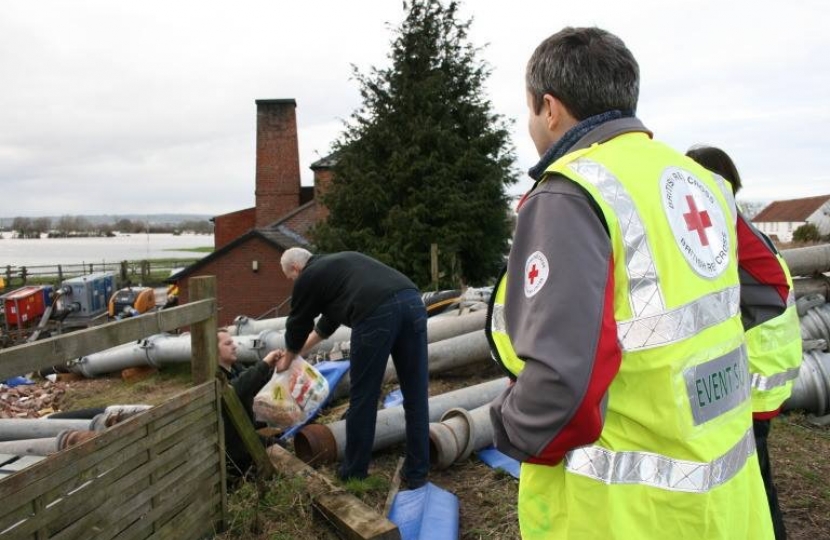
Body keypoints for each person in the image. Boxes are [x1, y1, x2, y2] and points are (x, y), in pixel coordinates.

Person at [485, 27, 773, 539]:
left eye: (530, 110)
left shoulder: (571, 194)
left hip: (628, 514)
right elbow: (768, 292)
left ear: (550, 108)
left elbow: (562, 381)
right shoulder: (701, 181)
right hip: (728, 501)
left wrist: (511, 429)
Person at [687, 145, 802, 540]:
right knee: (753, 472)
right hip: (771, 362)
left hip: (757, 371)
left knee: (750, 479)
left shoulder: (719, 228)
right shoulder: (739, 225)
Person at [276, 247, 429, 489]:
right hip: (412, 302)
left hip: (377, 313)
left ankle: (354, 473)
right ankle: (417, 472)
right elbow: (326, 325)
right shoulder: (337, 268)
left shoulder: (309, 276)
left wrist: (287, 358)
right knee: (416, 394)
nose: (293, 282)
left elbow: (297, 322)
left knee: (364, 396)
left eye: (290, 277)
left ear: (295, 268)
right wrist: (299, 352)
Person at [217, 328, 281, 476]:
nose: (234, 346)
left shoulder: (235, 368)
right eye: (228, 343)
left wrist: (277, 368)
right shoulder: (215, 377)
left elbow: (255, 382)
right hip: (235, 447)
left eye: (233, 342)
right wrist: (264, 364)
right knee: (282, 450)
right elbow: (237, 388)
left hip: (248, 434)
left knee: (284, 444)